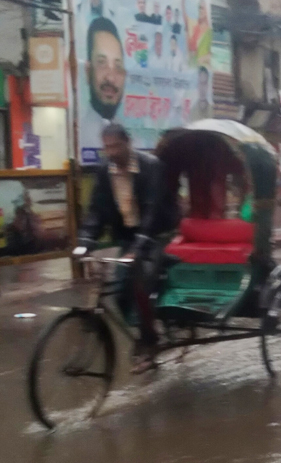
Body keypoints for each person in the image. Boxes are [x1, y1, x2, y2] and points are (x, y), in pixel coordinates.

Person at [76, 124, 179, 373]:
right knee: (121, 292)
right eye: (107, 147)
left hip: (157, 233)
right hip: (128, 236)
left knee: (141, 282)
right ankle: (143, 331)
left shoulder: (151, 166)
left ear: (127, 143)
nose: (111, 152)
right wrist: (85, 241)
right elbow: (96, 211)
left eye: (115, 146)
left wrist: (140, 245)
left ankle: (150, 341)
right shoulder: (103, 172)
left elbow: (153, 210)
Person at [84, 17, 125, 152]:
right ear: (88, 71)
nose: (111, 78)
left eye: (117, 66)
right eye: (102, 63)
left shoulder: (126, 136)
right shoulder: (80, 134)